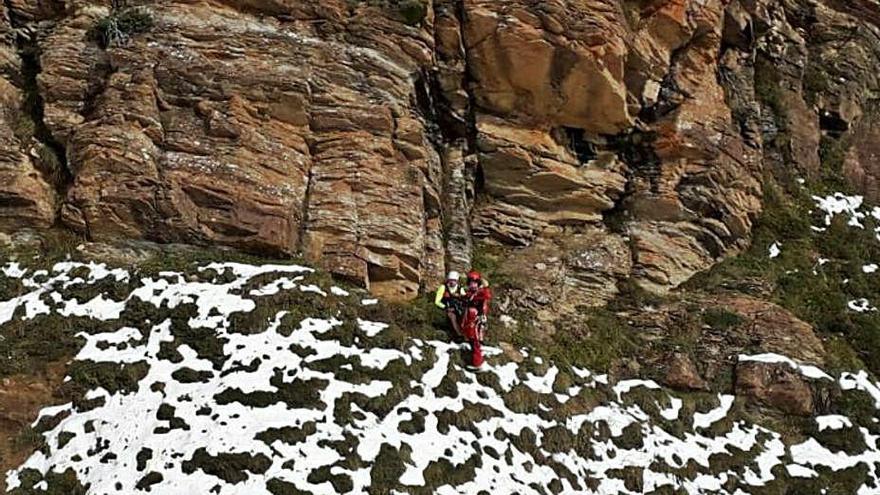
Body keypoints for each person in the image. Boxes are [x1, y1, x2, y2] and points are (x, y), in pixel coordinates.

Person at [461, 270, 492, 369]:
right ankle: (475, 361)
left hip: (476, 320)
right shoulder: (471, 294)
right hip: (469, 321)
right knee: (472, 340)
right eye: (471, 283)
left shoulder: (481, 292)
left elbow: (487, 296)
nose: (472, 285)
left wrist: (485, 287)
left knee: (475, 341)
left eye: (474, 283)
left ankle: (477, 363)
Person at [434, 271, 465, 337]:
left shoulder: (460, 288)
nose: (452, 282)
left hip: (458, 308)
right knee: (451, 316)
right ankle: (458, 334)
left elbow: (465, 298)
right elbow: (437, 301)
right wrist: (445, 307)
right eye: (450, 280)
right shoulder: (443, 287)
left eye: (454, 280)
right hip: (447, 308)